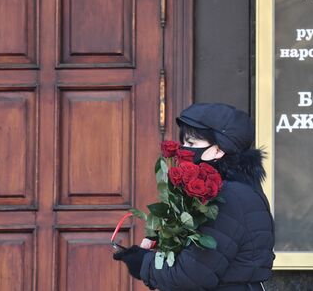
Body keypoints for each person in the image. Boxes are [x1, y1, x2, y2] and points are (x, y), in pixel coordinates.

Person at [113, 103, 275, 290]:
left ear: (218, 150)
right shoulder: (239, 190)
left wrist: (143, 263)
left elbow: (192, 276)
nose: (183, 149)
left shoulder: (228, 197)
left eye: (191, 143)